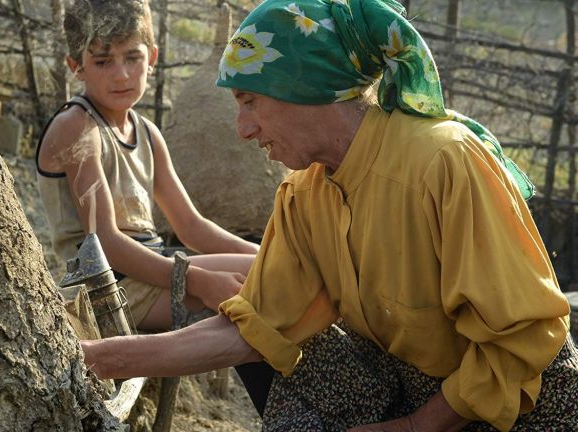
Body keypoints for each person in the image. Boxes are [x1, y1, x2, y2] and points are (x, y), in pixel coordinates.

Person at [81, 0, 578, 431]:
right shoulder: (304, 195)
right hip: (427, 386)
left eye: (250, 101)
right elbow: (253, 326)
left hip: (521, 401)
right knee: (302, 352)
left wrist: (412, 427)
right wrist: (99, 358)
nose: (243, 129)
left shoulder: (442, 162)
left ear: (304, 84)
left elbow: (526, 338)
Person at [36, 0, 258, 332]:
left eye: (133, 58)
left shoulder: (147, 133)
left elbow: (191, 226)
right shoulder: (78, 128)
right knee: (259, 282)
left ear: (151, 58)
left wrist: (268, 250)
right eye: (103, 61)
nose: (121, 74)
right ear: (76, 66)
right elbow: (105, 244)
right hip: (106, 288)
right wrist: (197, 281)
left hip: (154, 269)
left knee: (266, 268)